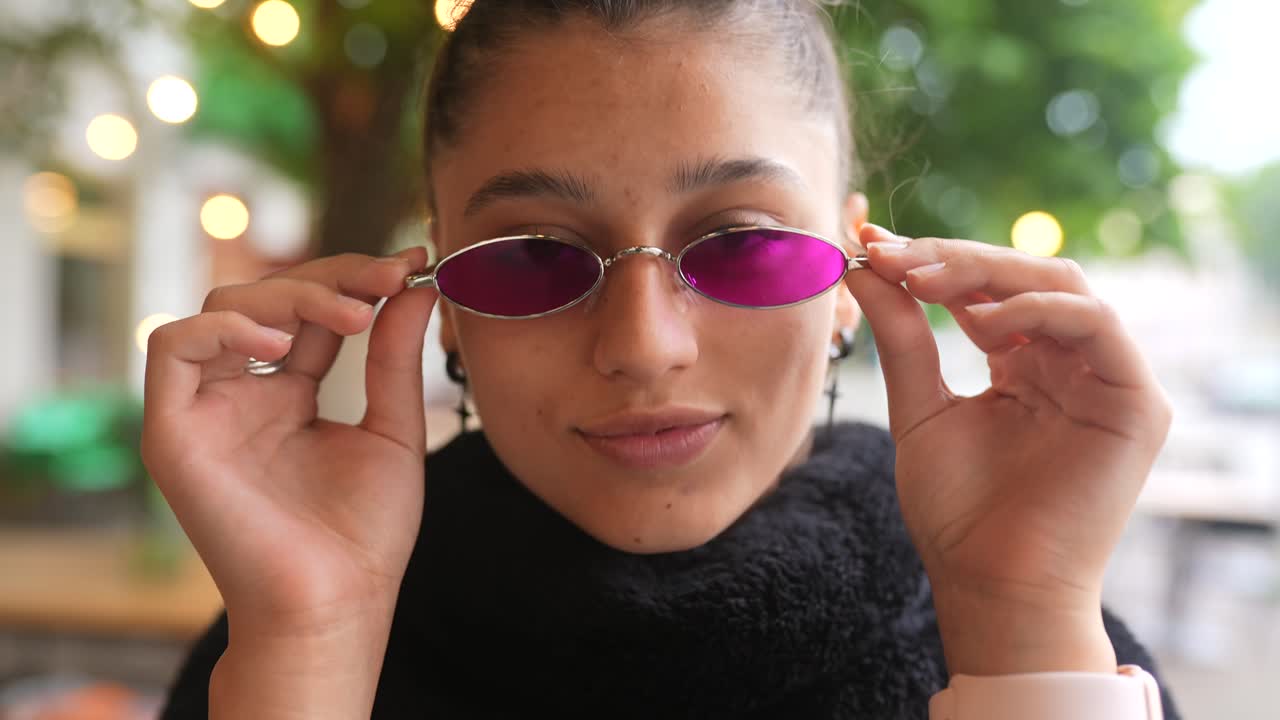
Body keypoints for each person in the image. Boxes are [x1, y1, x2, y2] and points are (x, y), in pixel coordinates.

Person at [144, 1, 1181, 718]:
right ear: (443, 303)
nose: (643, 346)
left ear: (851, 276)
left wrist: (1018, 612)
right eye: (534, 257)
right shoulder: (278, 635)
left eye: (741, 244)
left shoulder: (1055, 635)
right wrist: (309, 649)